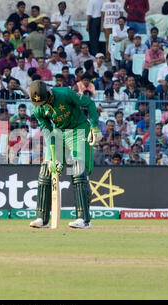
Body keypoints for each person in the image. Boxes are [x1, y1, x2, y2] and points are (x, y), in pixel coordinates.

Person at [28, 80, 102, 229]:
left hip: (78, 129)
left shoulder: (65, 93)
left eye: (44, 101)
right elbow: (48, 133)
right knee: (46, 169)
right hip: (58, 134)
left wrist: (94, 127)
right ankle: (42, 219)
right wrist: (55, 158)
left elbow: (90, 104)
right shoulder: (38, 109)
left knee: (78, 170)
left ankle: (84, 219)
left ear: (48, 93)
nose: (43, 105)